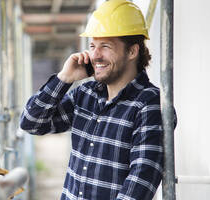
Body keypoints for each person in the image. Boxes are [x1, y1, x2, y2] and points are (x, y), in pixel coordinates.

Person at [20, 0, 177, 199]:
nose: (95, 55)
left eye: (105, 46)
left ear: (132, 51)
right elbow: (31, 123)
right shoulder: (85, 94)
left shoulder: (150, 105)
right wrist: (64, 78)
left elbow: (139, 184)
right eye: (92, 45)